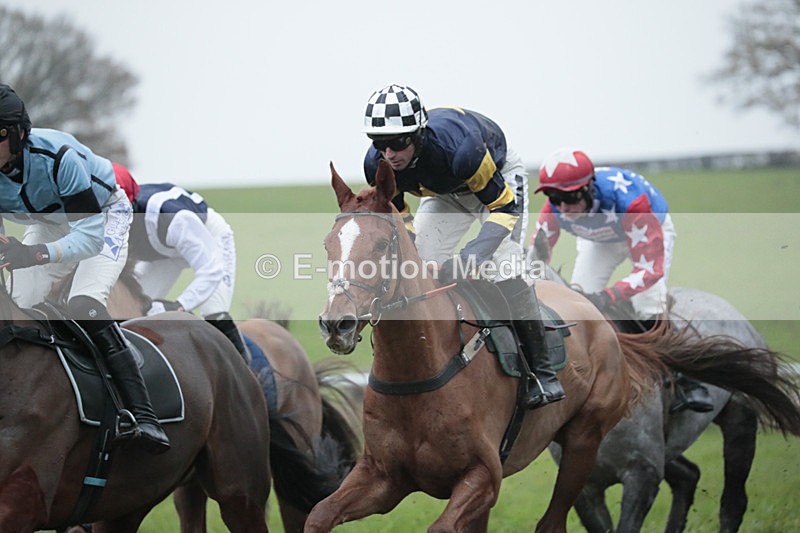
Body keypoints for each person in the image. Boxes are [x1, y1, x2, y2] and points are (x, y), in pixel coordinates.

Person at [362, 83, 563, 409]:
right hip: (447, 193)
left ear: (418, 134)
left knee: (502, 266)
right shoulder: (377, 165)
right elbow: (401, 217)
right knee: (417, 267)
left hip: (496, 181)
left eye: (398, 142)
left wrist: (470, 258)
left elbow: (504, 208)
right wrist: (413, 252)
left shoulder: (462, 151)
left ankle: (543, 371)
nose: (389, 154)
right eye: (379, 144)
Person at [0, 83, 170, 452]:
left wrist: (32, 255)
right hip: (48, 221)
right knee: (15, 307)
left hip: (102, 218)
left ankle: (145, 416)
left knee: (84, 303)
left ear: (18, 135)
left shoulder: (58, 157)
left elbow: (89, 240)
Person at [530, 147, 712, 413]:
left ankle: (686, 380)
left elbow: (649, 271)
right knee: (579, 302)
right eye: (553, 197)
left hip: (647, 230)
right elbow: (537, 258)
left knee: (646, 302)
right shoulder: (555, 210)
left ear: (589, 188)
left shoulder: (631, 203)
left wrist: (610, 295)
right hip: (600, 240)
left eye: (569, 197)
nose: (562, 207)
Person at [114, 165, 250, 363]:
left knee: (214, 311)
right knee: (136, 309)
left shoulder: (176, 220)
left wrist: (179, 306)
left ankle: (246, 370)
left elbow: (211, 270)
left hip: (208, 239)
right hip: (165, 251)